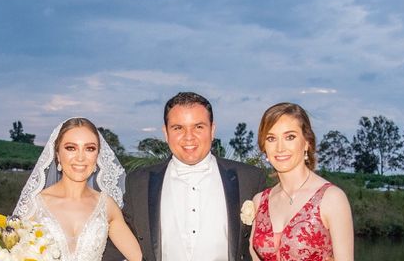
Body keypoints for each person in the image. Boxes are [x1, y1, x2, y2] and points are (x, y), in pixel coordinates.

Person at [103, 92, 267, 261]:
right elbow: (119, 241)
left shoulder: (250, 179)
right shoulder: (138, 183)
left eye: (198, 127)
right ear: (166, 133)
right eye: (178, 128)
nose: (189, 137)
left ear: (212, 130)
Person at [14, 117, 142, 261]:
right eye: (71, 148)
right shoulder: (34, 205)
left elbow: (139, 258)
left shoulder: (107, 206)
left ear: (97, 156)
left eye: (90, 148)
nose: (80, 157)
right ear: (57, 155)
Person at [249, 103, 353, 261]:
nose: (280, 148)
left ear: (307, 142)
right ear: (264, 147)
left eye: (290, 137)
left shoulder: (332, 198)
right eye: (271, 138)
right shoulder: (259, 201)